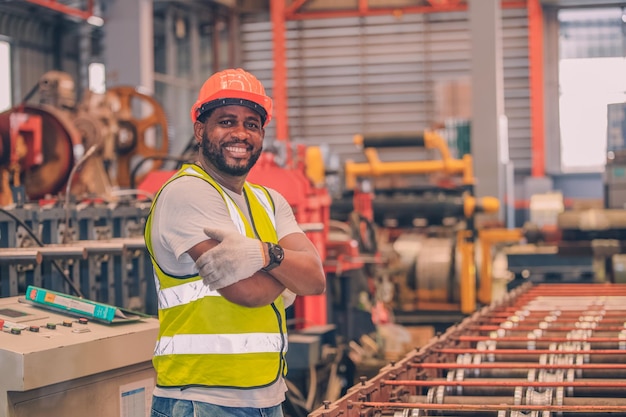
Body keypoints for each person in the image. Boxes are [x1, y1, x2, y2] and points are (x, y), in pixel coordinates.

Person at [144, 68, 326, 417]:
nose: (241, 133)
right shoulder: (186, 193)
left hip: (267, 396)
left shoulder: (269, 201)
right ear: (200, 130)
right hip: (201, 399)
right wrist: (287, 276)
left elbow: (315, 279)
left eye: (252, 124)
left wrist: (265, 255)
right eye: (227, 122)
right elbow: (247, 292)